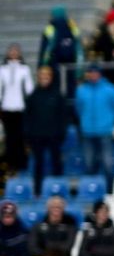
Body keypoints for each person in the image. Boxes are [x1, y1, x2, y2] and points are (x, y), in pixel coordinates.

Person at [22, 64, 68, 197]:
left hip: (54, 136)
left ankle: (59, 191)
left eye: (47, 76)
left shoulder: (58, 95)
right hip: (37, 136)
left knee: (56, 163)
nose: (44, 78)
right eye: (42, 75)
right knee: (38, 165)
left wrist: (61, 133)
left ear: (51, 77)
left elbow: (63, 116)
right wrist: (28, 135)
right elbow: (27, 117)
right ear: (38, 77)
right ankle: (38, 191)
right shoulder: (32, 96)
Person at [72, 64, 114, 188]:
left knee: (108, 162)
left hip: (105, 131)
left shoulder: (110, 89)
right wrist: (84, 121)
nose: (93, 75)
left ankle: (110, 189)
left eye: (95, 72)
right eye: (90, 72)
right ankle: (92, 188)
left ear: (100, 74)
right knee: (89, 163)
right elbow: (78, 109)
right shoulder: (81, 90)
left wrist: (109, 121)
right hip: (88, 131)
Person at [0, 44, 32, 174]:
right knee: (9, 137)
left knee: (20, 137)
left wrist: (30, 104)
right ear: (8, 53)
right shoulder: (2, 69)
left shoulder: (24, 69)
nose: (13, 53)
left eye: (16, 51)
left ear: (19, 53)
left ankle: (21, 163)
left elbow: (29, 88)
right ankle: (10, 164)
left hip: (20, 107)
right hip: (7, 107)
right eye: (11, 51)